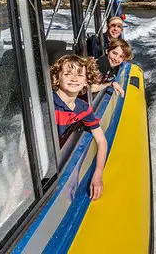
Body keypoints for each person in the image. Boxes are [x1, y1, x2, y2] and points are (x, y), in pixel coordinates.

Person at [50, 54, 107, 201]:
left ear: (86, 80)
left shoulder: (83, 108)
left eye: (80, 75)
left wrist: (98, 173)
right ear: (57, 78)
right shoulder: (48, 104)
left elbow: (101, 140)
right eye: (68, 74)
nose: (74, 79)